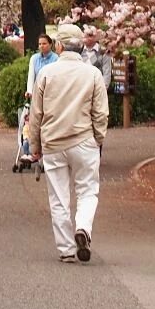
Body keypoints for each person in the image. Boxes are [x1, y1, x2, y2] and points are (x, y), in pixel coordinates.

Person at [28, 24, 110, 263]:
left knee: (58, 196)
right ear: (81, 45)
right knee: (87, 190)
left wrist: (35, 145)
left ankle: (65, 248)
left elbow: (36, 113)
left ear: (58, 46)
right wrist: (98, 138)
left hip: (53, 142)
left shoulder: (46, 73)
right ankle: (83, 227)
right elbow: (101, 113)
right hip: (84, 140)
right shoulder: (92, 74)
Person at [25, 32, 58, 97]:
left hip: (51, 93)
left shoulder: (56, 58)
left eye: (44, 43)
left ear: (50, 44)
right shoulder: (34, 58)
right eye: (40, 44)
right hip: (37, 93)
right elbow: (31, 76)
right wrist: (29, 91)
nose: (41, 46)